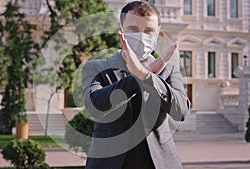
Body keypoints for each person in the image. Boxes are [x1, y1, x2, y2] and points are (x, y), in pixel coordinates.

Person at [82, 1, 191, 169]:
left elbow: (181, 111)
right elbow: (94, 106)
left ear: (158, 31)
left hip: (160, 163)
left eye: (148, 31)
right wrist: (137, 77)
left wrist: (147, 76)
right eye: (133, 29)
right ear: (121, 29)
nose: (141, 36)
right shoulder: (96, 67)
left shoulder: (169, 71)